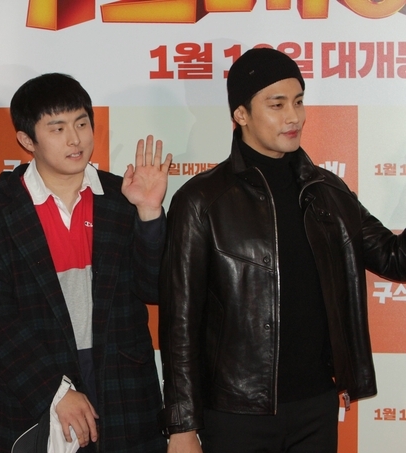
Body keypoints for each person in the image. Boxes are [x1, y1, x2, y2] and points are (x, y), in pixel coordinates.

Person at [158, 47, 406, 453]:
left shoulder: (327, 191)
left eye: (299, 101)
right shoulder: (201, 200)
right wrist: (181, 426)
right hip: (236, 413)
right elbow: (179, 324)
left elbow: (395, 258)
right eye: (277, 105)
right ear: (241, 114)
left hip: (316, 407)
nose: (294, 117)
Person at [0, 73, 171, 453]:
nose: (75, 139)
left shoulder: (122, 197)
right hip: (41, 388)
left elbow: (155, 287)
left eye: (81, 123)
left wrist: (148, 213)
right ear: (27, 140)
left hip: (124, 388)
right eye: (57, 128)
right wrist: (54, 390)